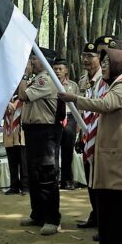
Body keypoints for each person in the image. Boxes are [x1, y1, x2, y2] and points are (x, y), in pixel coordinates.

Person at [59, 39, 122, 244]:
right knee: (113, 206)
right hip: (114, 156)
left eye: (109, 60)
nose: (105, 64)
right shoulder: (115, 82)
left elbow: (105, 104)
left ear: (121, 61)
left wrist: (74, 99)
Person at [18, 48, 61, 236]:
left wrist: (25, 75)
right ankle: (37, 214)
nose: (31, 62)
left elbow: (22, 96)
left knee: (46, 175)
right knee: (34, 176)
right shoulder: (38, 79)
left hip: (46, 132)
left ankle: (52, 218)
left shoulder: (46, 79)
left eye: (34, 59)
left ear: (45, 61)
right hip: (33, 131)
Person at [76, 42, 105, 232]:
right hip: (87, 135)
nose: (86, 60)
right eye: (84, 56)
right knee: (89, 177)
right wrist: (80, 135)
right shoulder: (82, 81)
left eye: (91, 56)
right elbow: (80, 110)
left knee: (100, 179)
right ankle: (95, 214)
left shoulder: (106, 80)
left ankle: (103, 219)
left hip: (101, 135)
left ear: (100, 59)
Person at [53, 58, 78, 190]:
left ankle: (67, 180)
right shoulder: (50, 84)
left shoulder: (73, 86)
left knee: (68, 152)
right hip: (54, 120)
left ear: (66, 70)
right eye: (55, 69)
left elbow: (79, 104)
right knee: (54, 152)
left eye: (60, 69)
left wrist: (79, 123)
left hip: (70, 120)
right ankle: (54, 180)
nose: (57, 71)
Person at [3, 95, 28, 195]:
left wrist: (13, 104)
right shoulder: (5, 98)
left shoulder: (25, 97)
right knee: (12, 163)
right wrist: (5, 105)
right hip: (9, 134)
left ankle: (25, 186)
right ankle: (14, 186)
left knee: (24, 163)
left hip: (21, 134)